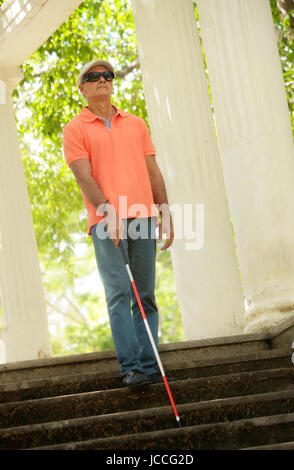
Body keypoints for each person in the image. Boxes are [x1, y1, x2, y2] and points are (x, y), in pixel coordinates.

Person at [63, 59, 174, 386]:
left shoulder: (136, 124)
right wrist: (108, 211)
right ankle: (132, 368)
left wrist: (164, 210)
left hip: (143, 217)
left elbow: (153, 172)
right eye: (94, 76)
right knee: (118, 293)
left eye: (107, 75)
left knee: (145, 294)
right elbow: (84, 177)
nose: (103, 80)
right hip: (105, 220)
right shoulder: (75, 129)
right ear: (82, 87)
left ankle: (149, 365)